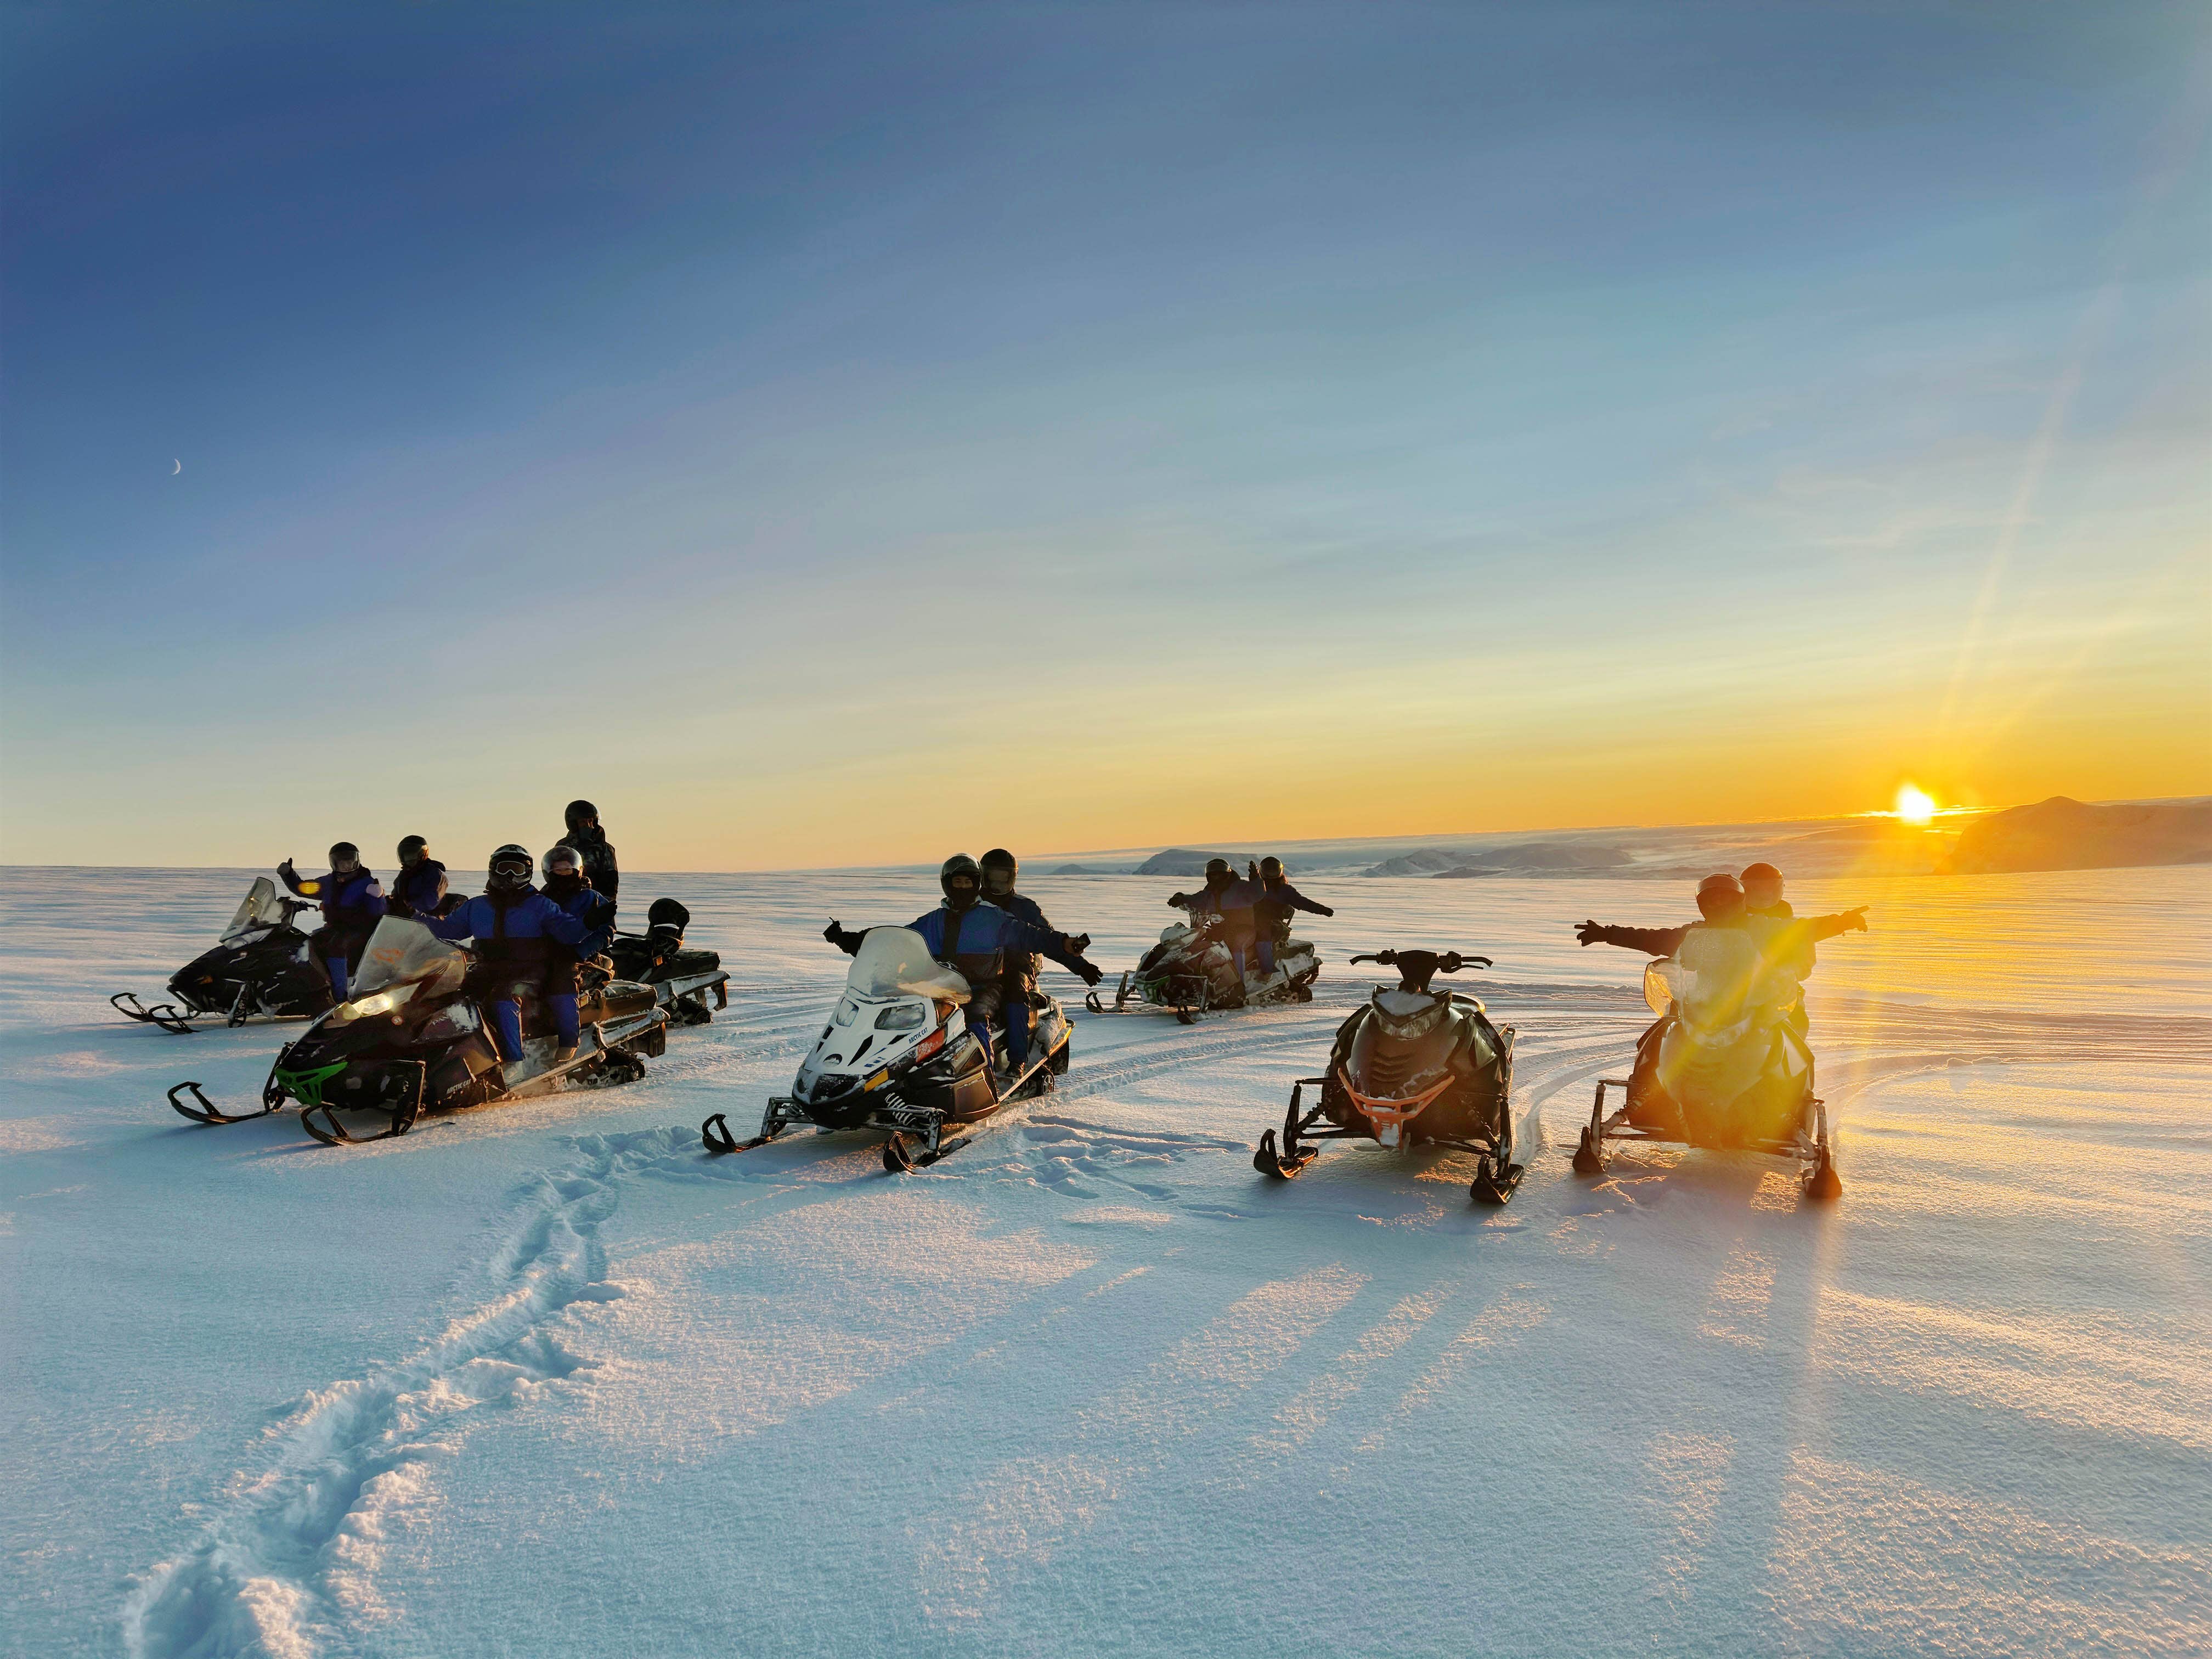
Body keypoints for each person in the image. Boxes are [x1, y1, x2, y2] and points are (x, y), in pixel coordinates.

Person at [823, 854, 1103, 1073]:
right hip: (943, 984)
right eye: (958, 883)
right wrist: (850, 940)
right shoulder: (935, 919)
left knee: (975, 1017)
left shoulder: (994, 917)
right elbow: (900, 941)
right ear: (947, 884)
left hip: (985, 984)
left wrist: (1065, 944)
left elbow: (1032, 935)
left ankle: (986, 1073)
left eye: (968, 883)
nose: (963, 888)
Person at [1575, 873, 1867, 1032]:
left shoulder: (1764, 928)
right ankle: (1643, 1099)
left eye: (1725, 900)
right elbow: (1654, 939)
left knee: (1793, 1034)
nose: (1718, 906)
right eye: (1711, 901)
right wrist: (1607, 933)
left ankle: (1794, 1105)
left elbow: (1803, 930)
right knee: (1657, 1038)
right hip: (1702, 1004)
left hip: (1758, 1004)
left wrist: (1842, 922)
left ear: (1739, 901)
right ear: (1703, 905)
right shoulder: (1693, 932)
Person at [418, 844, 597, 1068]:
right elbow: (447, 930)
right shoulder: (477, 906)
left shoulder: (540, 905)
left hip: (529, 971)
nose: (510, 876)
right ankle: (442, 1057)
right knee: (449, 995)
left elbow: (569, 932)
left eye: (517, 870)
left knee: (503, 996)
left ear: (528, 873)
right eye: (504, 869)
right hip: (487, 968)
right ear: (493, 870)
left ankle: (514, 1062)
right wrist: (412, 916)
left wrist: (589, 923)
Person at [977, 848, 1097, 1071]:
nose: (997, 884)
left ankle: (1017, 1060)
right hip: (978, 965)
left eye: (1003, 877)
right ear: (983, 876)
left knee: (1015, 994)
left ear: (1012, 877)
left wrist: (1081, 966)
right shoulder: (972, 904)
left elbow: (1048, 940)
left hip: (1017, 965)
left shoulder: (1025, 907)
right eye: (992, 877)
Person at [278, 842, 386, 1000]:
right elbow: (303, 889)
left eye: (350, 861)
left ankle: (341, 994)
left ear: (356, 861)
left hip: (360, 930)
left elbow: (378, 912)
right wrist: (288, 875)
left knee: (337, 945)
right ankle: (317, 987)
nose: (347, 865)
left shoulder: (367, 883)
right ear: (334, 863)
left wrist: (377, 897)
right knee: (309, 942)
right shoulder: (328, 883)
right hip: (335, 928)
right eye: (342, 862)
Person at [541, 844, 619, 1053]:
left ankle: (569, 1041)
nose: (562, 874)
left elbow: (607, 931)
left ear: (577, 871)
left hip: (580, 958)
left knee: (561, 982)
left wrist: (580, 952)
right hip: (544, 954)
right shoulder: (541, 899)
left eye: (567, 869)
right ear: (548, 871)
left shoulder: (591, 898)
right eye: (557, 869)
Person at [1167, 857, 1266, 982]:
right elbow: (1196, 899)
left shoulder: (1240, 887)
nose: (1216, 878)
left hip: (1244, 929)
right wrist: (1181, 898)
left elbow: (1258, 894)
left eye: (1219, 875)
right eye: (1213, 875)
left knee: (1236, 945)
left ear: (1227, 875)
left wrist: (1256, 879)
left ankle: (1238, 982)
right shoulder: (1209, 892)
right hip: (1220, 930)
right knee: (1200, 946)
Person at [1251, 855, 1334, 980]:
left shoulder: (1284, 890)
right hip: (1249, 919)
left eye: (1274, 869)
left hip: (1272, 923)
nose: (1271, 873)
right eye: (1269, 869)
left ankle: (1267, 970)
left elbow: (1301, 902)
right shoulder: (1256, 886)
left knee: (1263, 934)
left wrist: (1321, 909)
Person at [557, 800, 619, 912]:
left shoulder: (605, 849)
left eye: (591, 821)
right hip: (568, 903)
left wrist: (605, 907)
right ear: (574, 824)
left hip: (597, 903)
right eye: (583, 822)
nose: (589, 826)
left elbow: (611, 882)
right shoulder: (564, 847)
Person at [386, 835, 450, 919]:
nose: (408, 860)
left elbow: (430, 902)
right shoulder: (403, 876)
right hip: (405, 921)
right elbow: (396, 896)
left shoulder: (435, 875)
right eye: (406, 856)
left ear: (422, 854)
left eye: (411, 856)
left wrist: (411, 907)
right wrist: (390, 903)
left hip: (429, 922)